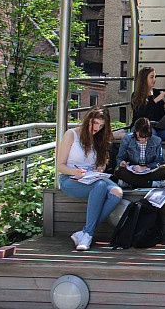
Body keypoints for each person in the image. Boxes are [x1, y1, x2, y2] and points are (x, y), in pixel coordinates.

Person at [56, 106, 122, 251]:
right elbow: (59, 166)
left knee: (117, 192)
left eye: (101, 125)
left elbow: (101, 164)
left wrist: (100, 168)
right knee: (99, 186)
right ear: (88, 120)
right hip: (70, 179)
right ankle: (88, 235)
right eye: (95, 123)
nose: (97, 128)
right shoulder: (71, 134)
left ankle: (85, 232)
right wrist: (75, 172)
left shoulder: (99, 138)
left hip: (92, 177)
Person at [113, 117, 165, 189]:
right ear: (135, 132)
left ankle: (131, 183)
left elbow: (159, 161)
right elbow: (120, 158)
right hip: (132, 170)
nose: (143, 139)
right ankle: (154, 184)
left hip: (148, 170)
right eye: (140, 137)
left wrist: (145, 167)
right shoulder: (126, 139)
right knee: (119, 171)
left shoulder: (156, 140)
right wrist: (122, 163)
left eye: (146, 137)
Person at [131, 66, 165, 141]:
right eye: (151, 77)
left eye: (155, 77)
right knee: (152, 134)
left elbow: (160, 116)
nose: (154, 80)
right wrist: (156, 100)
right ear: (144, 79)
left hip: (155, 126)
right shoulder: (136, 95)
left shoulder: (156, 92)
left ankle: (155, 140)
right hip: (142, 126)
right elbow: (142, 113)